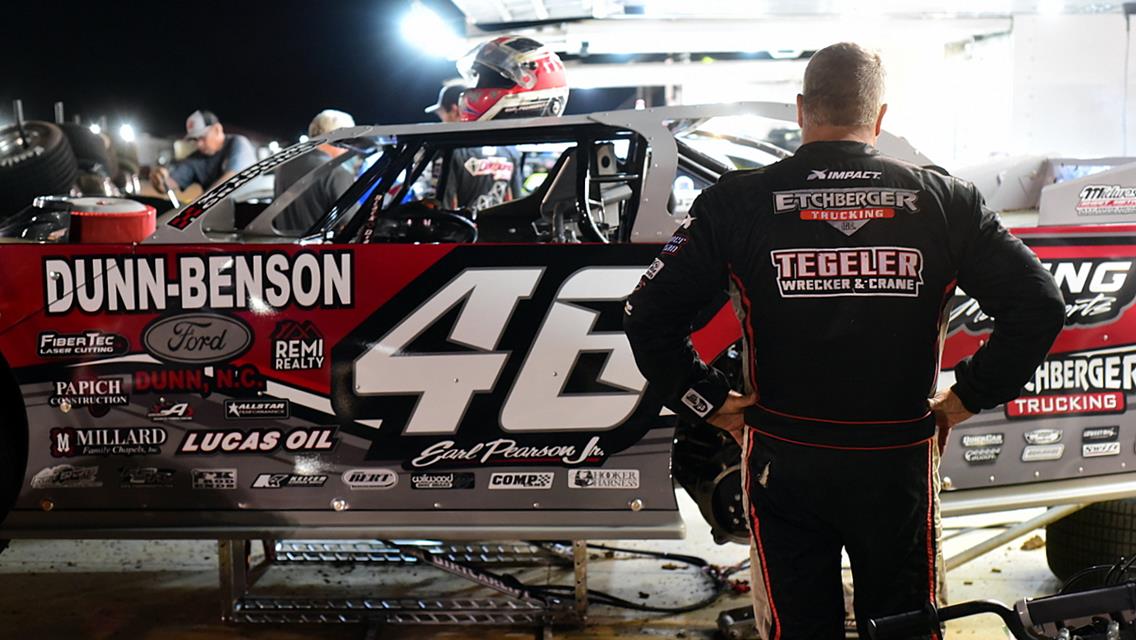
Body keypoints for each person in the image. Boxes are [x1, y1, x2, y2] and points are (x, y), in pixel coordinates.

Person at [624, 42, 1065, 640]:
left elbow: (646, 313)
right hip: (897, 460)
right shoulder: (947, 201)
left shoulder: (735, 201)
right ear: (880, 117)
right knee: (905, 628)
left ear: (802, 109)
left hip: (784, 454)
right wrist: (966, 399)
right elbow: (1039, 305)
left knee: (799, 629)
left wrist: (708, 402)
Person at [440, 36, 569, 212]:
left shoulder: (454, 149)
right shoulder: (510, 151)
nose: (477, 89)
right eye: (479, 79)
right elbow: (515, 201)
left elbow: (445, 202)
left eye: (489, 79)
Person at [273, 109, 357, 233]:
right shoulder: (337, 172)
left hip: (285, 248)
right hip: (323, 250)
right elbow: (353, 223)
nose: (350, 147)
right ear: (340, 139)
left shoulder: (283, 167)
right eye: (351, 139)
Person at [150, 110, 256, 195]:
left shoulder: (238, 143)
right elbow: (168, 184)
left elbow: (230, 181)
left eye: (202, 137)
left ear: (217, 129)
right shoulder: (196, 159)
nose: (199, 144)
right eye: (195, 140)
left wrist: (197, 205)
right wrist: (159, 179)